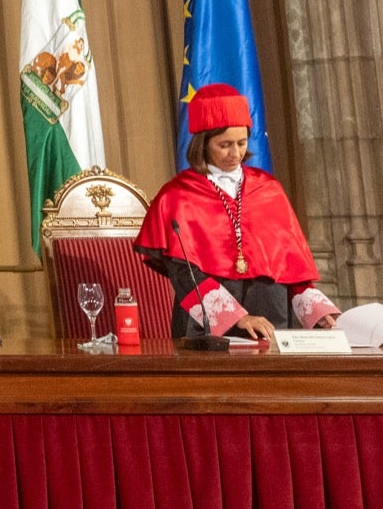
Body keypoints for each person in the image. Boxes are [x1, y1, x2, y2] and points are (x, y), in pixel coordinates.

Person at [136, 83, 339, 340]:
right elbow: (183, 274)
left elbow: (290, 265)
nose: (236, 154)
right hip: (207, 329)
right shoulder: (177, 196)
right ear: (203, 142)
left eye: (242, 143)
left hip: (271, 319)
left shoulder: (268, 189)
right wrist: (238, 317)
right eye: (225, 144)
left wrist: (315, 310)